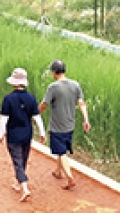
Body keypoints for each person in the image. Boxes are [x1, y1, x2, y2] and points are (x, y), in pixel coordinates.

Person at [39, 60, 91, 190]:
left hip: (57, 126)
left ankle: (69, 177)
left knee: (61, 152)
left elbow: (44, 104)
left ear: (54, 73)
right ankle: (58, 171)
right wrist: (86, 119)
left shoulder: (53, 87)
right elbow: (82, 104)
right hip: (70, 125)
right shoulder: (75, 85)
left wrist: (35, 113)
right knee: (61, 149)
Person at [0, 68, 46, 203]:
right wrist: (42, 133)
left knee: (17, 161)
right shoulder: (31, 98)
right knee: (23, 159)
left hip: (13, 135)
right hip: (27, 134)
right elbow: (37, 117)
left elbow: (4, 119)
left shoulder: (8, 99)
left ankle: (24, 187)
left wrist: (1, 133)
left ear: (13, 83)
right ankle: (18, 183)